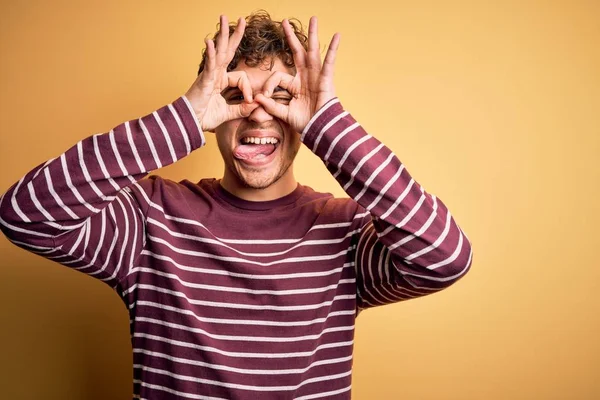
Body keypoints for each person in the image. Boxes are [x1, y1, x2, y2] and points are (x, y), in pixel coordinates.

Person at [0, 10, 473, 400]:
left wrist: (329, 125)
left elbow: (445, 258)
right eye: (235, 95)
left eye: (283, 96)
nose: (259, 112)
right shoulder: (151, 216)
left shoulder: (345, 231)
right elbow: (25, 215)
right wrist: (183, 116)